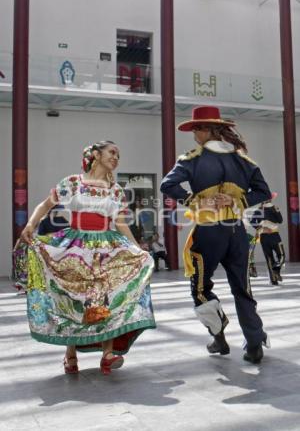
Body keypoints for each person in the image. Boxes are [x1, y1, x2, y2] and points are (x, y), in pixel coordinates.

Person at [19, 141, 156, 375]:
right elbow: (45, 204)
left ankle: (108, 354)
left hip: (107, 247)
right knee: (73, 298)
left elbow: (120, 223)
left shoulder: (116, 190)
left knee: (106, 297)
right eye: (112, 152)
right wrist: (31, 224)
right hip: (73, 246)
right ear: (95, 154)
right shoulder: (73, 182)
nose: (116, 157)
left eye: (118, 155)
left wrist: (137, 249)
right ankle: (69, 353)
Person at [160, 105, 271, 364]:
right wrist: (236, 202)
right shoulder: (244, 160)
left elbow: (168, 184)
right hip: (237, 232)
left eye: (196, 128)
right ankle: (254, 344)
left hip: (208, 233)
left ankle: (219, 335)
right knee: (242, 289)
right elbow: (263, 192)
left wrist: (194, 200)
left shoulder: (192, 158)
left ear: (207, 129)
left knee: (200, 287)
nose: (194, 134)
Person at [250, 195, 285, 285]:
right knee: (270, 258)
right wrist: (262, 228)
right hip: (265, 237)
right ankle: (273, 279)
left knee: (281, 256)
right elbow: (252, 222)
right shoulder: (258, 210)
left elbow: (280, 220)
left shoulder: (274, 208)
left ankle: (275, 271)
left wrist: (276, 210)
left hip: (274, 235)